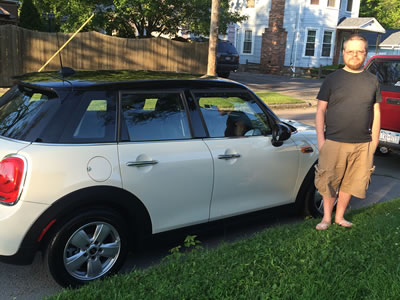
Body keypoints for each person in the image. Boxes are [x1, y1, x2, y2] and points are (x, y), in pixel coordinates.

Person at [314, 33, 381, 230]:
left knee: (351, 183)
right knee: (329, 181)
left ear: (365, 54)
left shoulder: (372, 81)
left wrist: (374, 142)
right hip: (334, 141)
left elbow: (376, 112)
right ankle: (326, 218)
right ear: (343, 53)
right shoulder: (332, 79)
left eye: (359, 52)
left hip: (362, 143)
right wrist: (321, 141)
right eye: (350, 51)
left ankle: (339, 217)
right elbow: (320, 110)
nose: (354, 55)